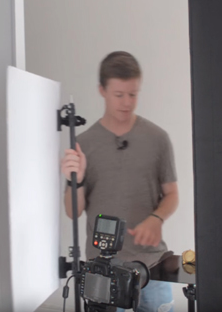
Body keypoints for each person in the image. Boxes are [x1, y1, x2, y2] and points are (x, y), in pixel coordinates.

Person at [61, 51, 179, 312]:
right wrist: (75, 181)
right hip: (101, 270)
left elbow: (172, 194)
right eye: (119, 95)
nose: (127, 103)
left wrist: (156, 218)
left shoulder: (158, 138)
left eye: (133, 94)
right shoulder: (84, 144)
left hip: (152, 265)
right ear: (102, 90)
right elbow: (72, 211)